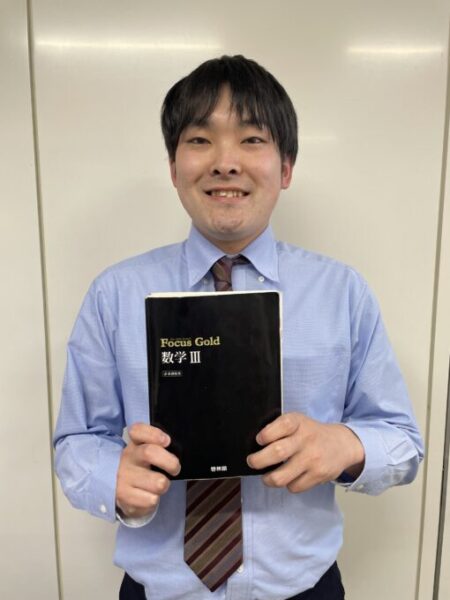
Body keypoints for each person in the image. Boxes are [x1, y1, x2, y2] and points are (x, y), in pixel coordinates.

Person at [54, 55, 424, 600]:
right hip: (158, 590)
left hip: (305, 589)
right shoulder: (114, 294)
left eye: (252, 139)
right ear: (173, 167)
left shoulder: (342, 292)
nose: (225, 162)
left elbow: (403, 441)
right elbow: (75, 441)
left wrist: (344, 445)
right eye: (200, 140)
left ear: (286, 167)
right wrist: (112, 477)